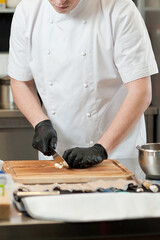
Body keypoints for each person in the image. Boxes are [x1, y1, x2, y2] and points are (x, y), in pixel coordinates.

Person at [8, 0, 158, 169]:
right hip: (57, 153)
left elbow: (140, 92)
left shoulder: (120, 9)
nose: (60, 1)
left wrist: (100, 149)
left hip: (116, 153)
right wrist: (40, 122)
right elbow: (20, 81)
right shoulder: (27, 12)